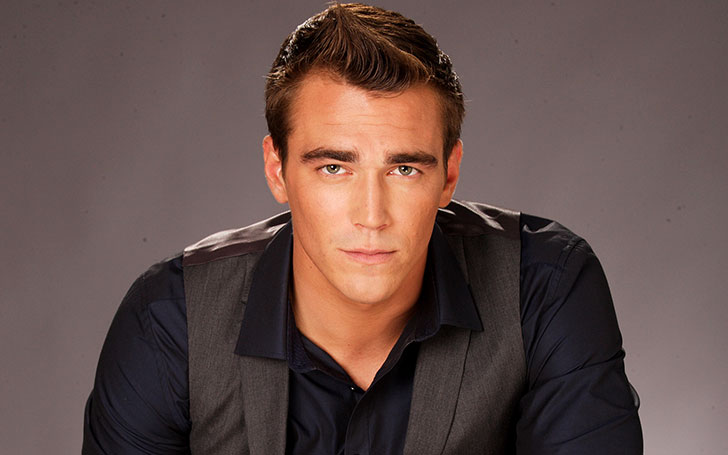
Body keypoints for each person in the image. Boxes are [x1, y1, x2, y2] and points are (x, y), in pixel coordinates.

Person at [83, 3, 642, 454]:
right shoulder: (170, 321)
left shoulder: (544, 287)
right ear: (277, 170)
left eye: (404, 169)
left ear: (448, 175)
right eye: (334, 167)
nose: (371, 215)